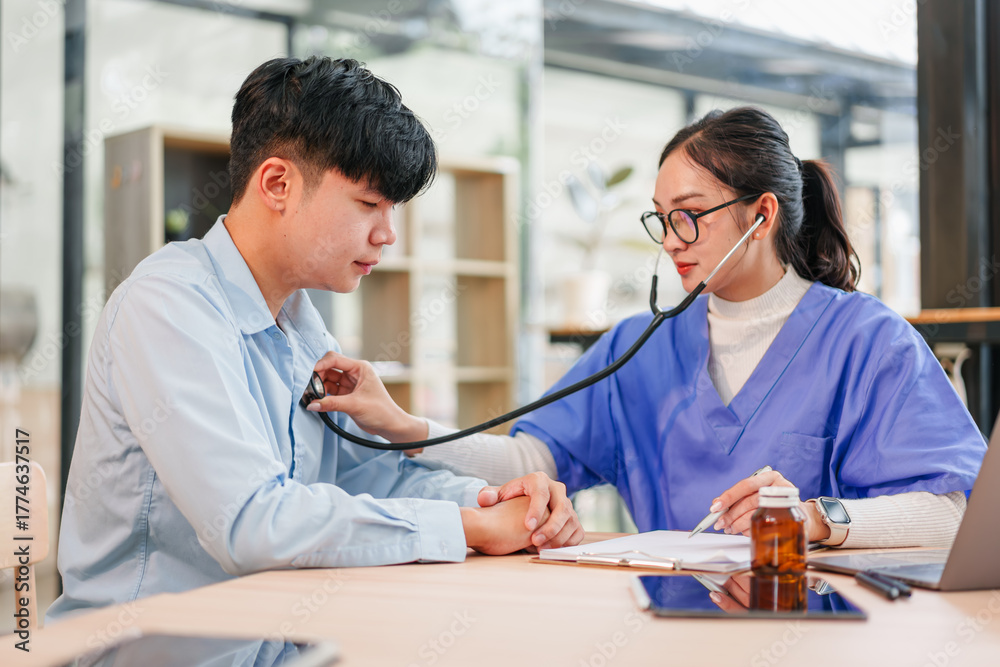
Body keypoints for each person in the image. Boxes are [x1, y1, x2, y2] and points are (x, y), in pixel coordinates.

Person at [47, 56, 580, 622]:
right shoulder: (167, 306)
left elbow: (362, 473)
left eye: (392, 208)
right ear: (278, 183)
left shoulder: (300, 324)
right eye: (369, 204)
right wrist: (469, 525)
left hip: (277, 642)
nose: (387, 233)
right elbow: (250, 522)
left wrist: (497, 504)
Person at [314, 106, 987, 550]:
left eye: (690, 214)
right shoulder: (641, 347)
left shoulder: (869, 342)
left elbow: (956, 513)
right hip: (666, 624)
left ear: (763, 214)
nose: (672, 239)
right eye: (661, 218)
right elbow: (531, 461)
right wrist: (402, 425)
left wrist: (813, 516)